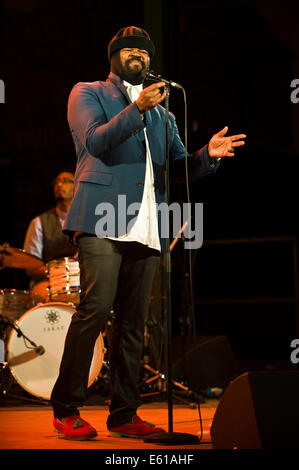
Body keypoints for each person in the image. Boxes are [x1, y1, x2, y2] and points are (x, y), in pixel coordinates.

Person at [50, 26, 246, 440]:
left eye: (143, 50)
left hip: (147, 223)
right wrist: (136, 108)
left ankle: (124, 413)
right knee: (96, 309)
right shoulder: (87, 92)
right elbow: (95, 142)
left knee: (135, 323)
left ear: (150, 60)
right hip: (102, 215)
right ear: (115, 58)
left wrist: (206, 156)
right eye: (128, 50)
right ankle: (66, 406)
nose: (136, 54)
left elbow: (177, 168)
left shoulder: (164, 112)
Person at [23, 171, 77, 287]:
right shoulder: (39, 222)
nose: (59, 185)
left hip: (81, 284)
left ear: (77, 186)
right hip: (50, 284)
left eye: (66, 181)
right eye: (56, 182)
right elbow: (31, 266)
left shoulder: (87, 220)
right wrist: (59, 275)